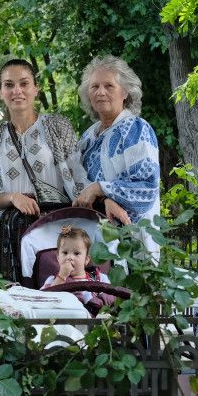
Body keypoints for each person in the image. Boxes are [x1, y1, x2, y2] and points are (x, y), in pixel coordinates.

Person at [0, 59, 87, 282]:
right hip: (9, 235)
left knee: (56, 296)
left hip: (56, 230)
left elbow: (78, 177)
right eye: (9, 85)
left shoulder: (57, 126)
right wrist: (13, 197)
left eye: (24, 83)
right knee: (14, 305)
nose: (16, 91)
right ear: (0, 91)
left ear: (35, 89)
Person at [73, 55, 160, 259]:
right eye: (94, 87)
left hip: (134, 240)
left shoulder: (136, 129)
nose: (100, 92)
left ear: (125, 92)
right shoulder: (88, 136)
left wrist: (100, 188)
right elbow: (78, 183)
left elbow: (146, 187)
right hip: (94, 236)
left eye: (109, 86)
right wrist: (104, 199)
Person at [42, 225, 114, 314]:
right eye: (65, 253)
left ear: (86, 259)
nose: (70, 257)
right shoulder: (53, 280)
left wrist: (91, 301)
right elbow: (44, 301)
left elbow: (111, 297)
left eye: (76, 253)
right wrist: (61, 277)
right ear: (58, 258)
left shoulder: (99, 278)